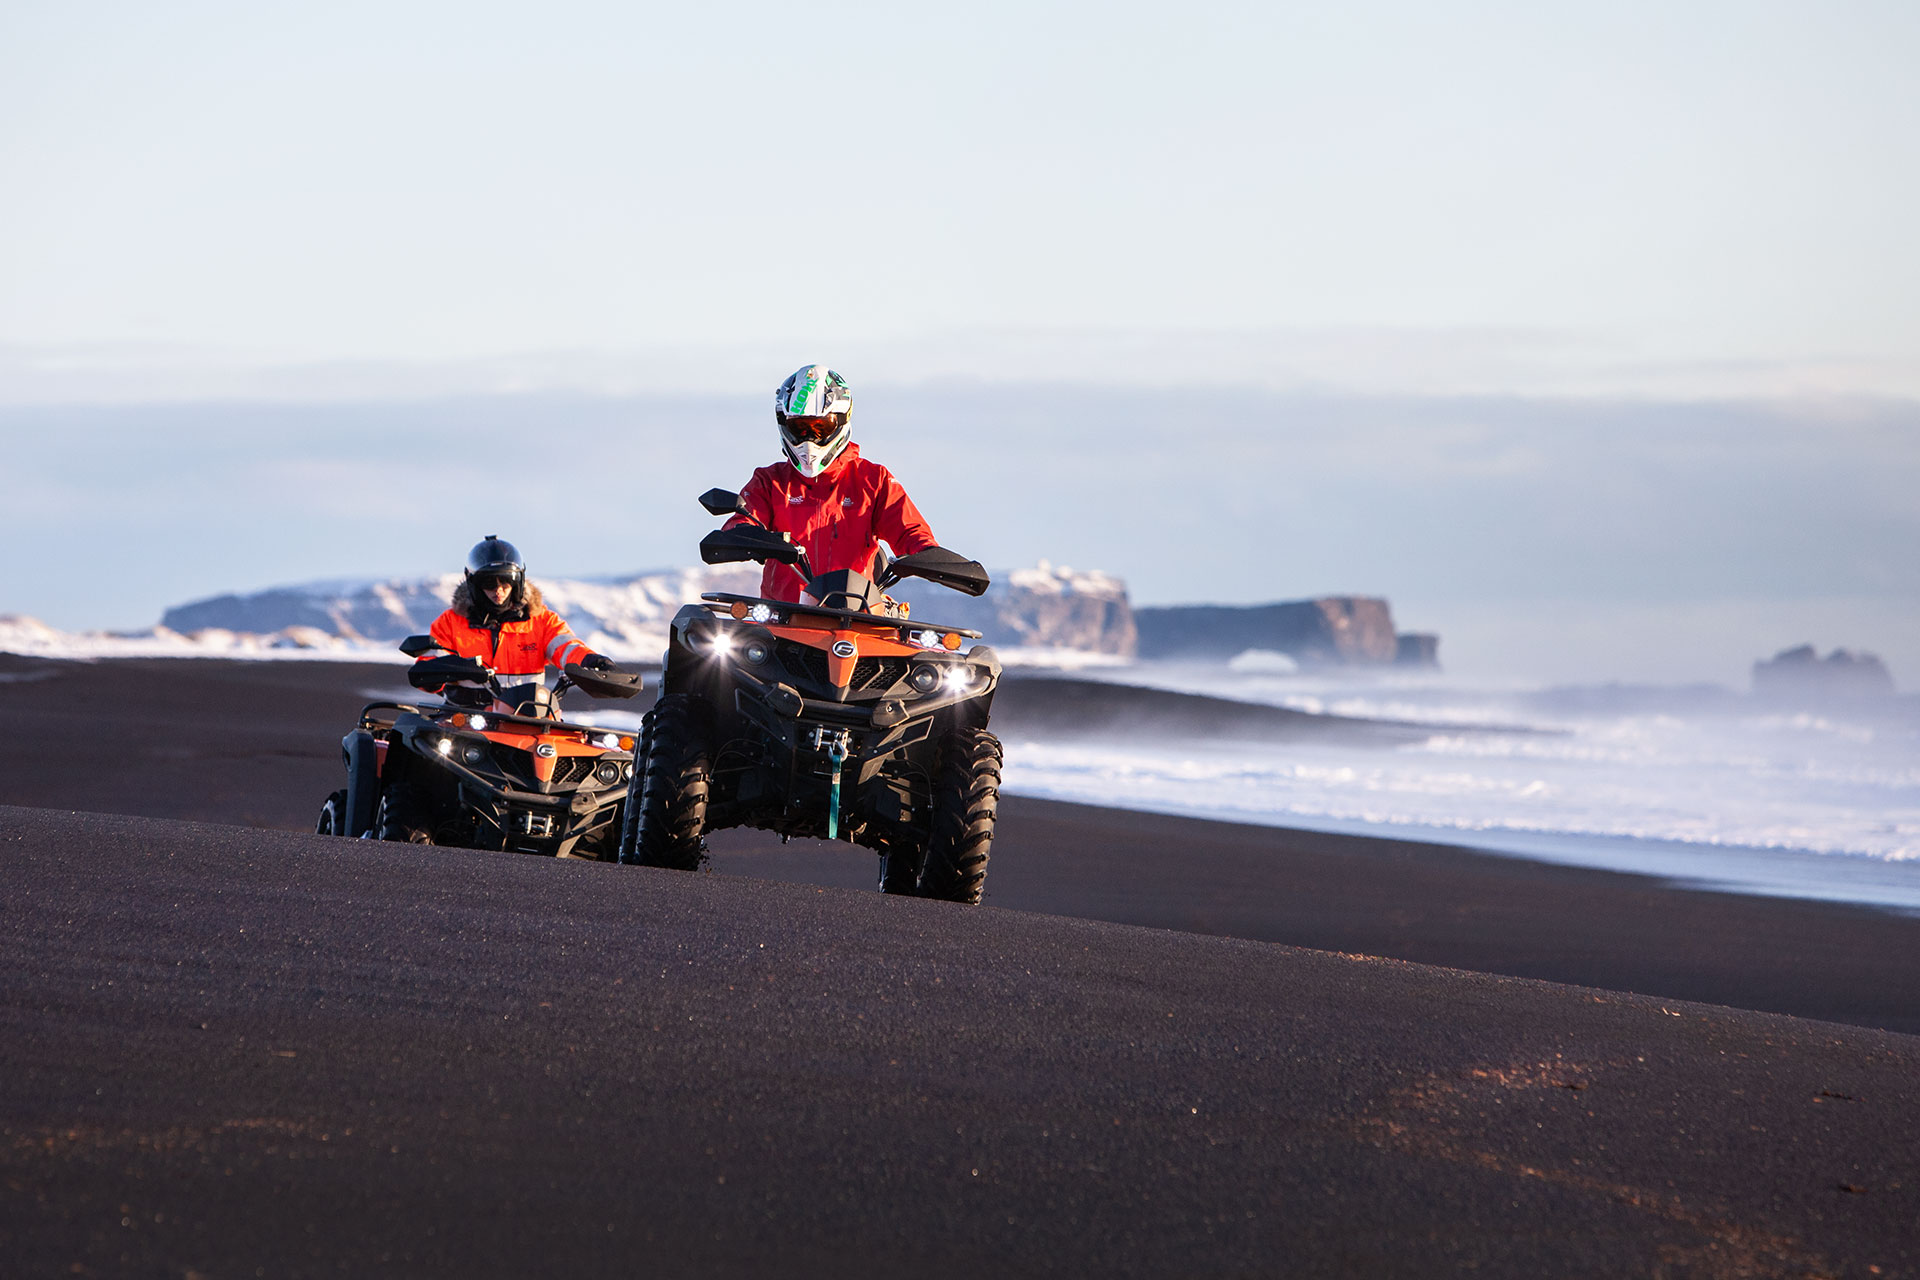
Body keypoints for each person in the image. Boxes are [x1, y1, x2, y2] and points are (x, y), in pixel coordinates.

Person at [724, 364, 939, 603]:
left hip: (856, 615)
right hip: (783, 617)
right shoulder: (769, 481)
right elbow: (744, 517)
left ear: (840, 421)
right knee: (711, 632)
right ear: (784, 424)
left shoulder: (874, 480)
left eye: (820, 427)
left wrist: (928, 554)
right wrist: (743, 534)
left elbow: (910, 530)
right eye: (800, 427)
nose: (810, 437)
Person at [413, 535, 615, 707]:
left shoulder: (541, 620)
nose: (498, 590)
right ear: (474, 584)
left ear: (517, 583)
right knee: (427, 746)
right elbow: (428, 666)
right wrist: (448, 669)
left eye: (506, 582)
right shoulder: (450, 622)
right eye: (490, 583)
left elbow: (567, 648)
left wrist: (593, 661)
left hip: (527, 718)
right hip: (465, 718)